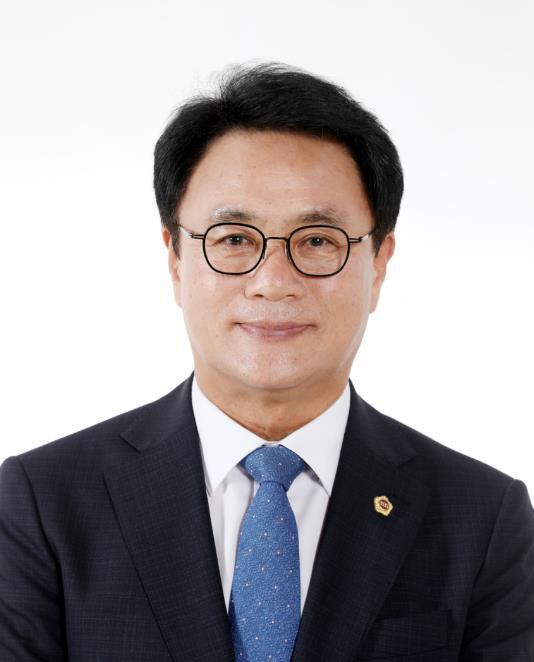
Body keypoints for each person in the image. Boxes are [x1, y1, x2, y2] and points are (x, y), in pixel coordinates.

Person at [1, 62, 533, 662]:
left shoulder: (481, 519)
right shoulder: (44, 502)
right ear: (175, 260)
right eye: (233, 239)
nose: (273, 281)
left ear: (379, 264)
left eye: (318, 241)